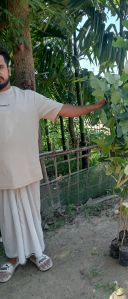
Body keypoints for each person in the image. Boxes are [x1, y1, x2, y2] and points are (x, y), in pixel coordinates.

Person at [0, 47, 106, 283]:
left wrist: (89, 108)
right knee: (7, 218)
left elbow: (61, 109)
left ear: (8, 68)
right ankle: (14, 258)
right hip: (1, 176)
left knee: (30, 216)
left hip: (26, 170)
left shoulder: (28, 98)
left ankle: (37, 253)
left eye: (0, 67)